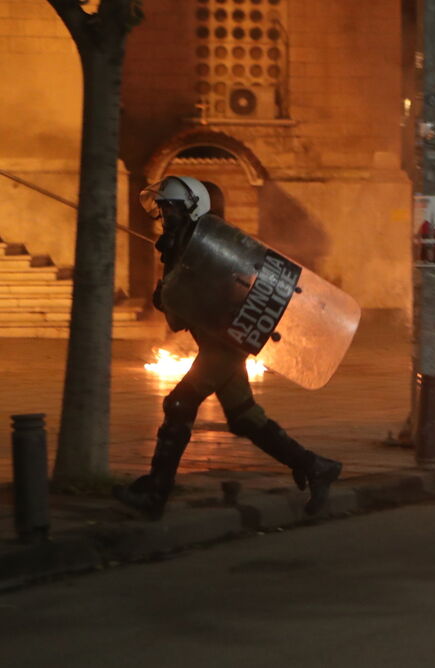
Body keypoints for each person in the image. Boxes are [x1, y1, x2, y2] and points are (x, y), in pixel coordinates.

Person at [113, 175, 342, 519]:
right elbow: (178, 321)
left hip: (225, 345)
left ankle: (156, 493)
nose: (164, 216)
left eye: (170, 209)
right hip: (219, 343)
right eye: (162, 209)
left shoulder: (210, 249)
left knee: (179, 402)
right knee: (244, 417)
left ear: (192, 208)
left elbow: (214, 301)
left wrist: (171, 292)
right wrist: (168, 292)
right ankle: (315, 466)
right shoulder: (181, 248)